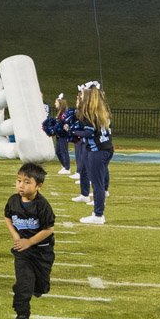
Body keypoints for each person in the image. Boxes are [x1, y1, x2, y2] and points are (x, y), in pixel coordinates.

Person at [5, 162, 56, 319]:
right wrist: (17, 238)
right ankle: (21, 316)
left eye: (27, 182)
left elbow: (49, 229)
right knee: (23, 283)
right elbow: (7, 218)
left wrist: (30, 241)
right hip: (23, 253)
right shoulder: (13, 201)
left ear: (38, 186)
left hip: (42, 251)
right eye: (19, 181)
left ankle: (39, 286)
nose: (21, 185)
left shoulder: (42, 206)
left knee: (41, 285)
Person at [74, 85, 113, 225]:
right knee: (99, 183)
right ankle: (98, 210)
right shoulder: (102, 111)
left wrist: (73, 132)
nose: (81, 97)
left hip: (97, 151)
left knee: (97, 184)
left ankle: (98, 215)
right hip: (106, 149)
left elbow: (89, 133)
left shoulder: (90, 114)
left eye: (83, 96)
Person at [53, 93, 72, 175]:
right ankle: (64, 165)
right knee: (58, 151)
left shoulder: (64, 114)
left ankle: (67, 167)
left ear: (60, 104)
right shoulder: (60, 114)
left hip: (63, 136)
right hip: (59, 135)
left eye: (56, 102)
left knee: (64, 151)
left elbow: (65, 125)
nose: (55, 104)